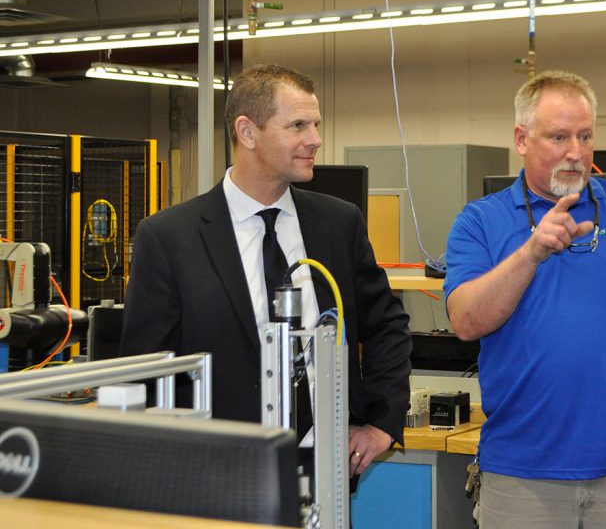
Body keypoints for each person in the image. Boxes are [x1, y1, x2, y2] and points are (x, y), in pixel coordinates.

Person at [444, 70, 606, 528]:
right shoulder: (480, 222)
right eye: (559, 136)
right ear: (521, 139)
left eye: (585, 136)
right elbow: (466, 321)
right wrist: (531, 253)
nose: (575, 152)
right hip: (519, 475)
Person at [120, 63, 411, 478]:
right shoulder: (169, 238)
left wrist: (382, 421)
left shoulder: (337, 224)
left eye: (316, 124)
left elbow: (386, 326)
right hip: (213, 480)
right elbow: (145, 370)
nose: (316, 140)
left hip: (322, 472)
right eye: (297, 125)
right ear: (247, 132)